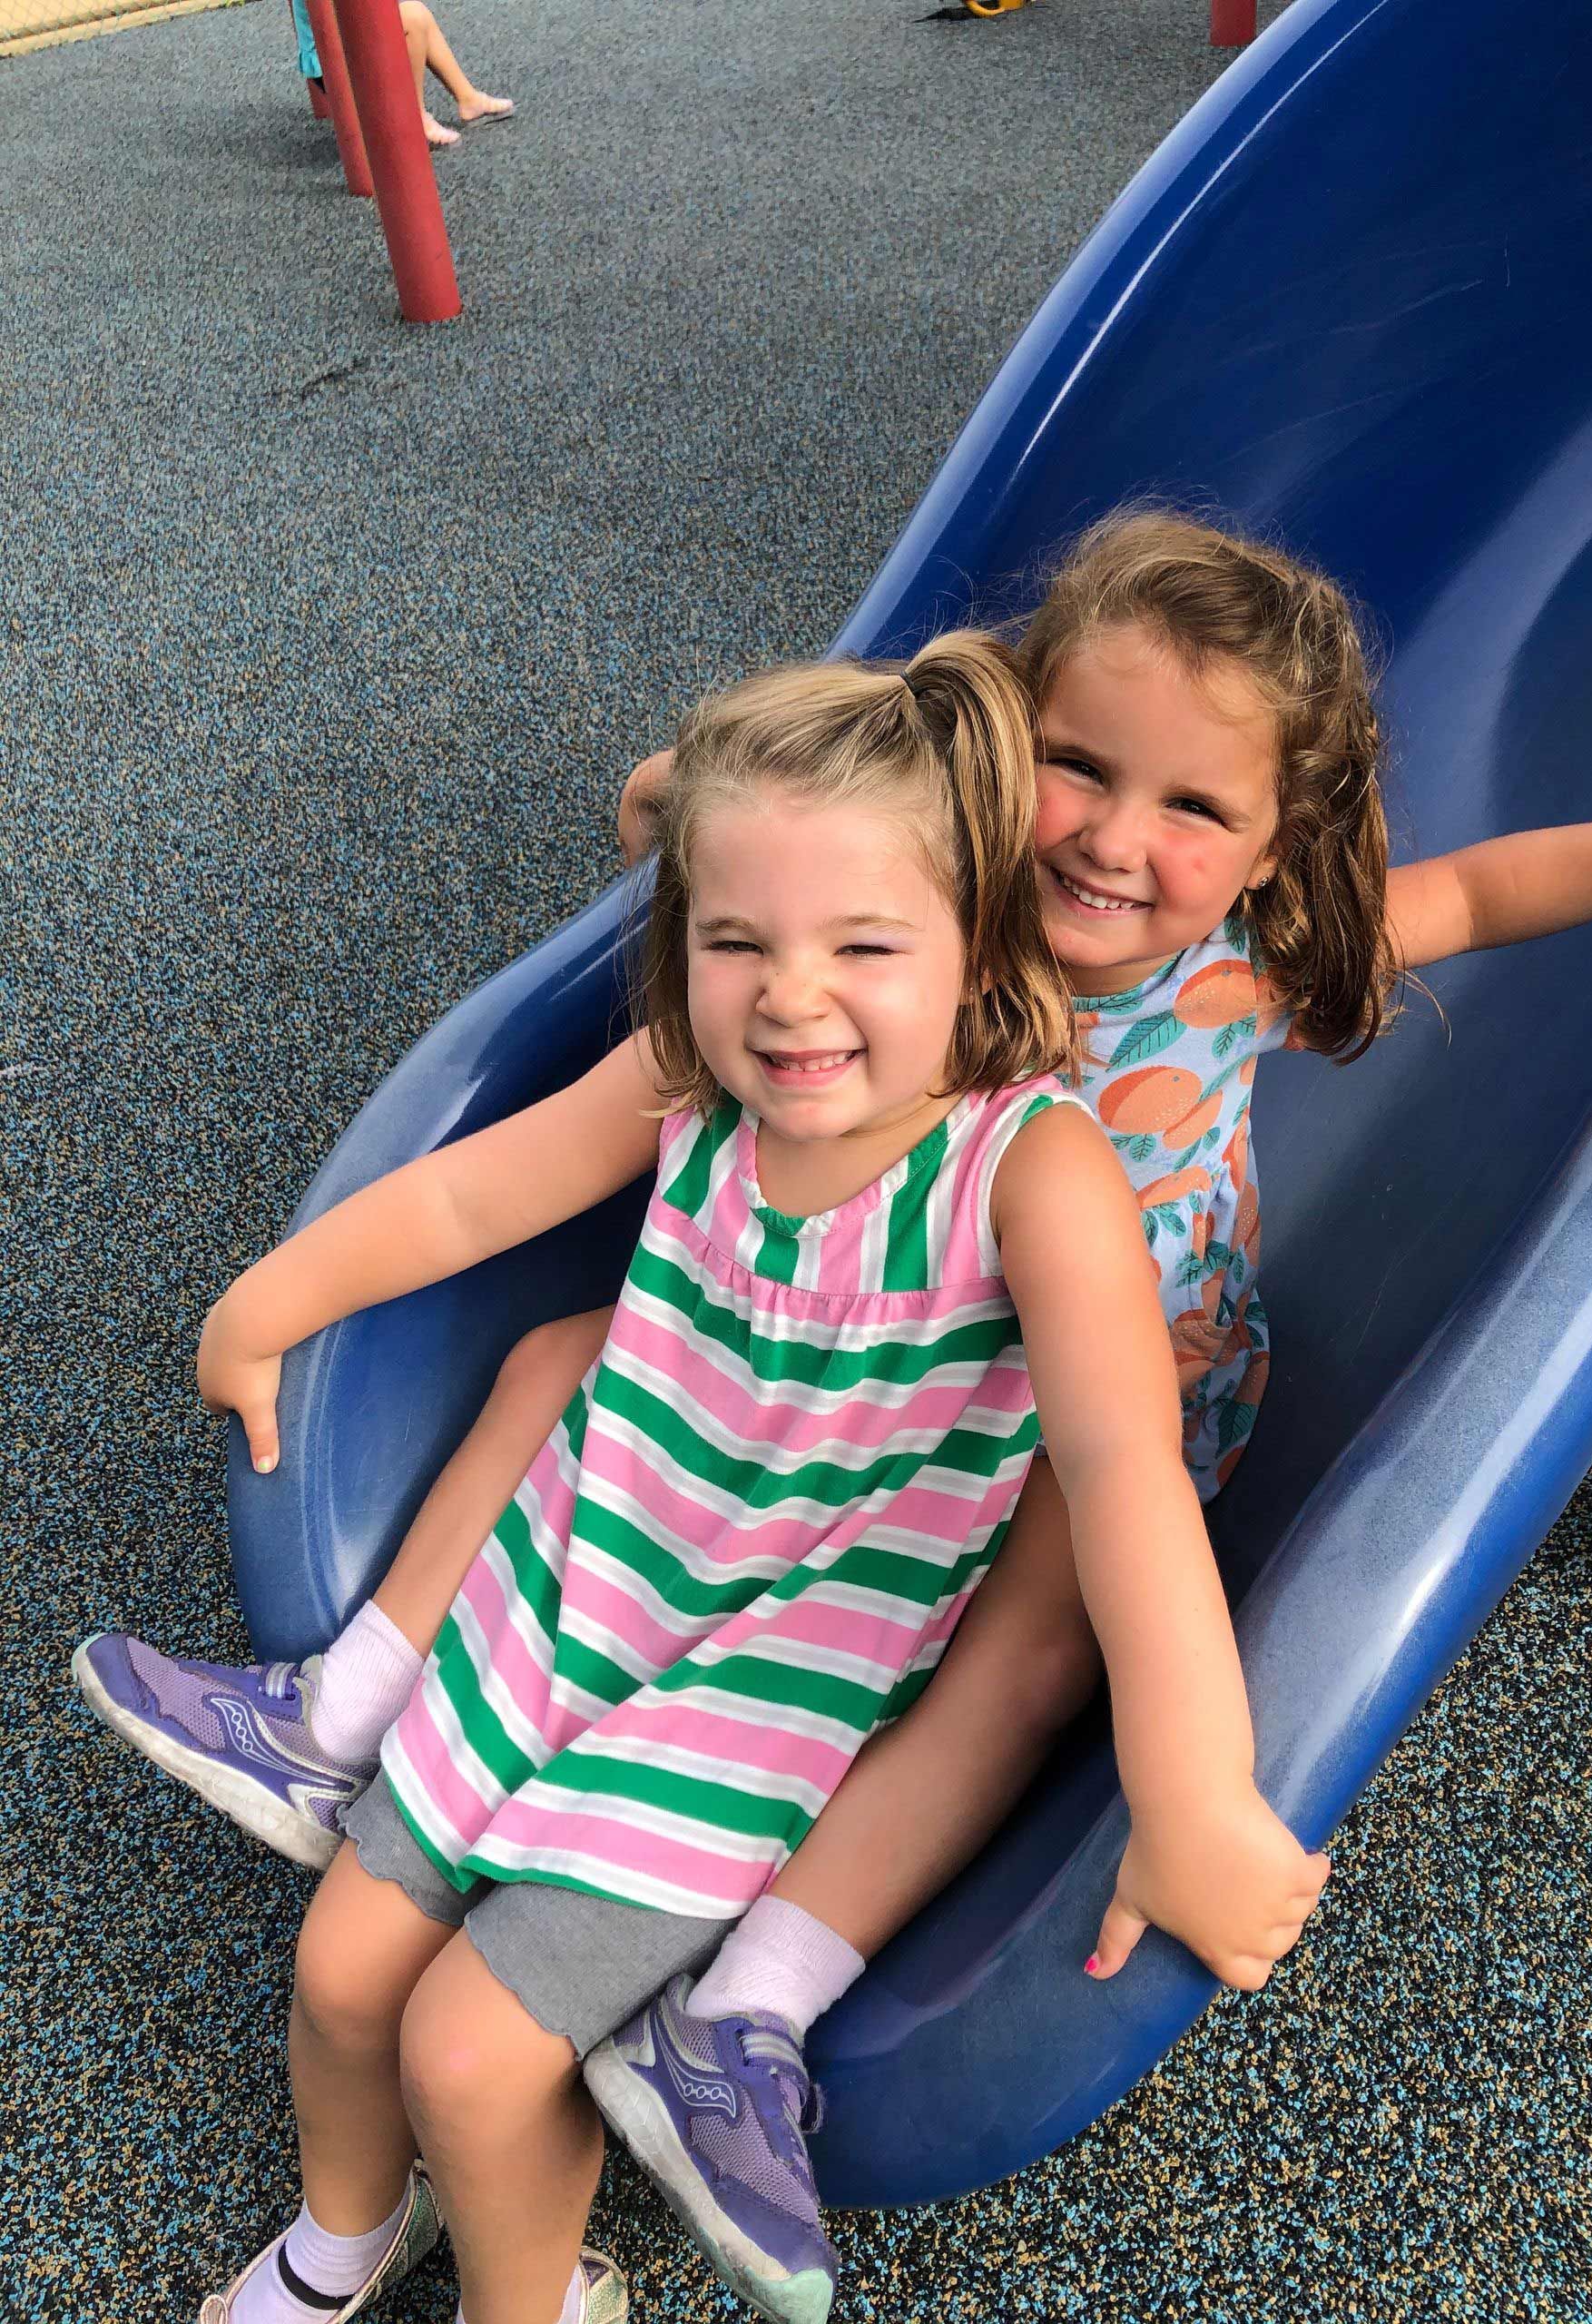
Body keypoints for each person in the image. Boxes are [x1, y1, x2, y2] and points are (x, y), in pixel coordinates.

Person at [78, 509, 1592, 2319]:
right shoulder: (895, 939)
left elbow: (1483, 898)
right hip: (804, 1382)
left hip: (1093, 1390)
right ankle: (353, 1720)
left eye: (1195, 807)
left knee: (1035, 1632)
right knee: (557, 1362)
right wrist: (692, 802)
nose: (1114, 836)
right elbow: (795, 837)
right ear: (1005, 750)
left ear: (1276, 840)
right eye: (1081, 769)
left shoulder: (1222, 974)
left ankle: (756, 1994)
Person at [143, 629, 1322, 2324]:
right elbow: (478, 1194)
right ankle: (343, 2244)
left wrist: (1199, 1789)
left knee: (468, 2056)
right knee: (339, 1975)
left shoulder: (1029, 1170)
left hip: (771, 1677)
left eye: (865, 944)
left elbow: (1128, 1472)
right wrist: (273, 1297)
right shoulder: (695, 1079)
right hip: (584, 1587)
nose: (792, 995)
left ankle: (533, 2305)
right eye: (736, 941)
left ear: (978, 942)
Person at [290, 0, 514, 150]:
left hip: (348, 46)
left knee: (417, 13)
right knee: (411, 19)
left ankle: (468, 99)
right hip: (332, 65)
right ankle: (413, 118)